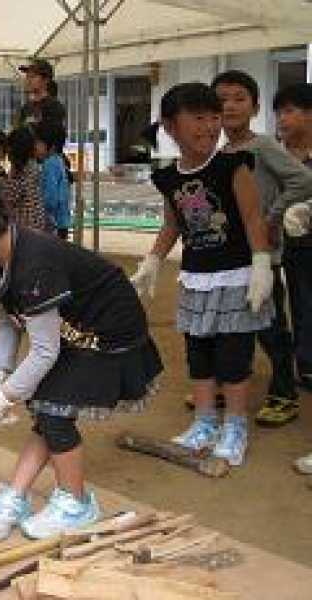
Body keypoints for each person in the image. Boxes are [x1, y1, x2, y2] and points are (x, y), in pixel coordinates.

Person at [0, 166, 162, 541]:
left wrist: (0, 400)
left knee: (54, 408)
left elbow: (44, 351)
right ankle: (17, 495)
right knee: (46, 404)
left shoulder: (34, 262)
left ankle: (76, 503)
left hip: (108, 331)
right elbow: (6, 322)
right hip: (73, 329)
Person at [132, 83, 274, 467]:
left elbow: (251, 217)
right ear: (170, 125)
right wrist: (153, 260)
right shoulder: (168, 177)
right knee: (199, 354)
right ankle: (205, 422)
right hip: (196, 277)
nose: (210, 126)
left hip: (237, 275)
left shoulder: (233, 164)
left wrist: (261, 264)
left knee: (233, 356)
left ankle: (235, 427)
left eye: (214, 118)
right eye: (198, 118)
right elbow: (173, 224)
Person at [212, 70, 312, 427]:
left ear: (255, 107)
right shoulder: (221, 153)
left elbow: (303, 180)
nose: (230, 105)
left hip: (263, 255)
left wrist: (272, 217)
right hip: (231, 256)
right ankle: (225, 385)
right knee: (230, 324)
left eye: (240, 98)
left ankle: (284, 393)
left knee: (270, 327)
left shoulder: (265, 145)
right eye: (222, 99)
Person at [272, 83, 312, 477]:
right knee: (300, 313)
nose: (284, 119)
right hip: (292, 250)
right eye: (280, 111)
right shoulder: (279, 156)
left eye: (292, 110)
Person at [0, 127, 51, 233]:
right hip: (37, 228)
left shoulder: (17, 175)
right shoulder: (34, 167)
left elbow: (5, 201)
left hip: (23, 231)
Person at [34, 121, 72, 240]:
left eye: (38, 143)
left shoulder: (50, 164)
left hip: (53, 223)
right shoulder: (58, 161)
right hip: (61, 222)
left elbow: (51, 199)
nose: (35, 147)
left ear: (52, 146)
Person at [16, 59, 66, 130]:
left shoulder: (54, 107)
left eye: (32, 76)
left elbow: (54, 137)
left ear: (46, 80)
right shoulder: (26, 108)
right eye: (27, 76)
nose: (28, 80)